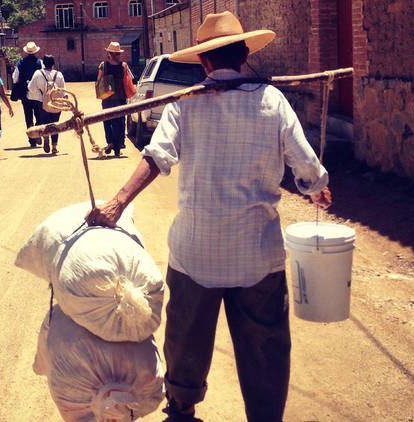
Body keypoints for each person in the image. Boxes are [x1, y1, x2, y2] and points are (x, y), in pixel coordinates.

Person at [85, 11, 332, 422]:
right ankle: (266, 413)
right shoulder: (272, 101)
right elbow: (305, 167)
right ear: (243, 55)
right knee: (265, 344)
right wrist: (316, 187)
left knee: (185, 339)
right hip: (259, 256)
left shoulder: (185, 104)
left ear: (203, 62)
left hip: (196, 254)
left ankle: (181, 406)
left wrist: (117, 203)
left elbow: (156, 157)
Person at [96, 41, 132, 157]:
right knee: (120, 122)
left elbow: (98, 81)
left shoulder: (103, 65)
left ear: (109, 54)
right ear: (118, 54)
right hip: (120, 99)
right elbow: (129, 81)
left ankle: (110, 142)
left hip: (107, 98)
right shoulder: (124, 66)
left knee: (107, 120)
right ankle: (118, 148)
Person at [28, 54, 66, 155]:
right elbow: (63, 91)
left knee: (44, 122)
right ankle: (54, 146)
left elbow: (31, 88)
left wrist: (41, 93)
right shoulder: (59, 74)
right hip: (56, 104)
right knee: (55, 125)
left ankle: (45, 136)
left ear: (43, 63)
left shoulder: (38, 73)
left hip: (43, 103)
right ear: (53, 64)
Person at [12, 41, 43, 147]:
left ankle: (32, 140)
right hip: (38, 95)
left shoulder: (20, 63)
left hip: (25, 94)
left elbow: (15, 78)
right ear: (35, 51)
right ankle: (38, 132)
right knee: (39, 116)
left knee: (28, 117)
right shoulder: (40, 62)